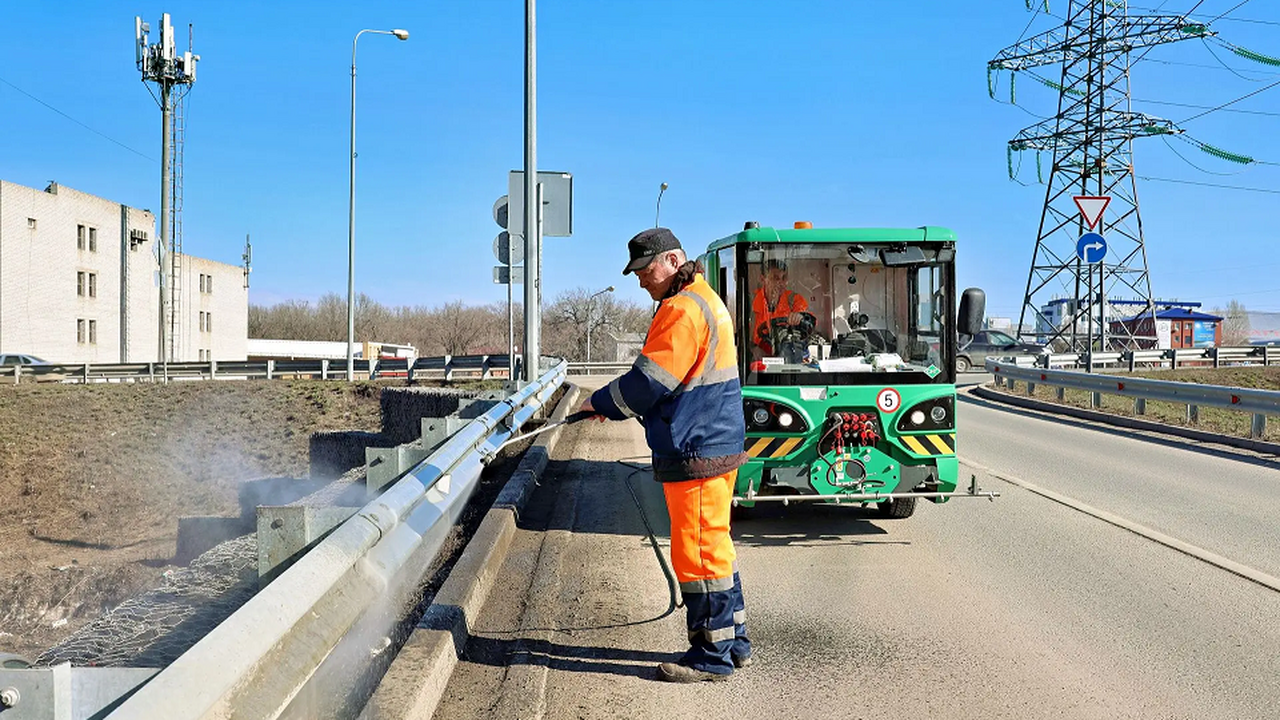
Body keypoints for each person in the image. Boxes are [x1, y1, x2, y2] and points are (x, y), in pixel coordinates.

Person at [579, 227, 753, 683]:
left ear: (673, 261)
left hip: (697, 446)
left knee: (697, 552)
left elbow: (649, 383)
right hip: (715, 441)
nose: (639, 279)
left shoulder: (681, 310)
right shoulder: (703, 298)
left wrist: (598, 403)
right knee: (714, 545)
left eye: (645, 269)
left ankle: (711, 656)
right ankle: (733, 642)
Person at [751, 259, 810, 357]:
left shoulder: (795, 300)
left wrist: (800, 317)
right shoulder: (750, 302)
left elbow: (808, 320)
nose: (781, 282)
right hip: (757, 362)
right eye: (775, 278)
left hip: (788, 357)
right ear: (762, 279)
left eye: (784, 278)